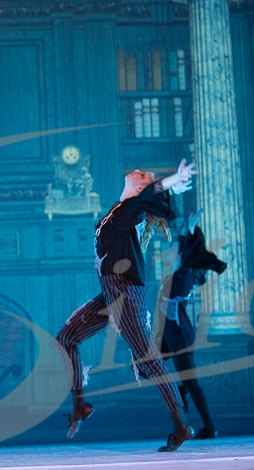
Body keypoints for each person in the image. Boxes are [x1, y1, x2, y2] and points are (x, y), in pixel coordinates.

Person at [56, 159, 197, 452]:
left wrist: (175, 179)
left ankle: (181, 426)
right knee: (66, 338)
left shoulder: (133, 208)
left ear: (143, 187)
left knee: (149, 361)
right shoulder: (119, 209)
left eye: (143, 175)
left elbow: (154, 191)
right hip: (111, 292)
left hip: (125, 293)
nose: (137, 172)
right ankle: (79, 404)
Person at [156, 209, 226, 440]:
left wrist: (189, 229)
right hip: (168, 335)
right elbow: (183, 253)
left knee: (192, 383)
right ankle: (179, 390)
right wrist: (186, 232)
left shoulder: (186, 276)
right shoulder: (179, 273)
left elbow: (186, 256)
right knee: (143, 367)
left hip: (179, 336)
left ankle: (209, 427)